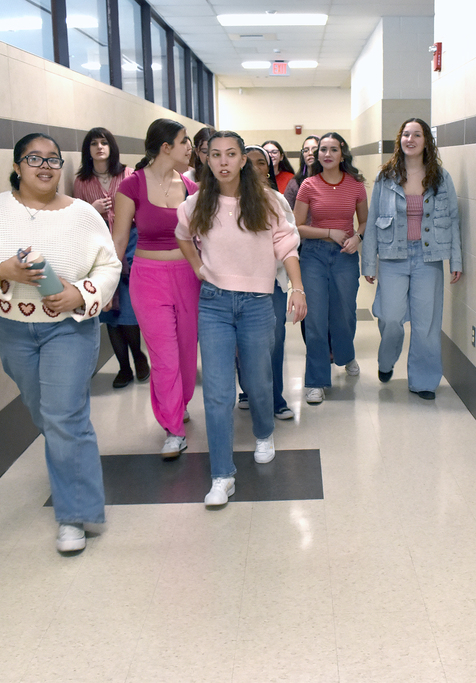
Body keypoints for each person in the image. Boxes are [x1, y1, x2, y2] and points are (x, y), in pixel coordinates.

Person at [0, 133, 121, 552]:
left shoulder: (83, 214)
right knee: (47, 414)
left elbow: (108, 265)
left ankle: (74, 516)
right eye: (34, 158)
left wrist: (79, 294)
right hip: (12, 330)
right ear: (16, 166)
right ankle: (74, 468)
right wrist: (3, 270)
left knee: (63, 415)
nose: (45, 166)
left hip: (68, 329)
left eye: (52, 159)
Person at [176, 131, 306, 508]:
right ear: (207, 160)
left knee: (257, 381)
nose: (223, 161)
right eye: (215, 155)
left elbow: (286, 244)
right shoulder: (196, 203)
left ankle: (264, 433)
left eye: (231, 154)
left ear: (242, 160)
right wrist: (198, 267)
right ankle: (222, 475)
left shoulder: (268, 200)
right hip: (214, 303)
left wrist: (297, 288)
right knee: (217, 392)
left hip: (257, 303)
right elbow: (182, 236)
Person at [114, 119, 200, 458]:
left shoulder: (191, 189)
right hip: (148, 278)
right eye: (184, 141)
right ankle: (173, 429)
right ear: (166, 147)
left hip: (188, 276)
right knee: (164, 356)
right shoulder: (131, 186)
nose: (189, 147)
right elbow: (119, 240)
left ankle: (180, 403)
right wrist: (107, 286)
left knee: (186, 353)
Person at [362, 118, 462, 400]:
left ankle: (424, 381)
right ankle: (386, 360)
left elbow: (453, 219)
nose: (410, 139)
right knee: (390, 317)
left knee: (426, 323)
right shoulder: (386, 177)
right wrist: (369, 263)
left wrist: (456, 260)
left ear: (426, 141)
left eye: (417, 135)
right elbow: (372, 220)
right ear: (400, 140)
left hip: (428, 257)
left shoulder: (440, 177)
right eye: (406, 134)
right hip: (393, 256)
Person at [294, 132, 368, 405]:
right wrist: (328, 232)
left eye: (333, 149)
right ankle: (316, 381)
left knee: (345, 314)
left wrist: (357, 238)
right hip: (313, 256)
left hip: (345, 256)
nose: (327, 154)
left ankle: (346, 355)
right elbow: (297, 227)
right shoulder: (308, 185)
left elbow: (364, 222)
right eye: (323, 150)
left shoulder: (355, 185)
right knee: (315, 319)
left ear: (342, 153)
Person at [72, 127, 148, 389]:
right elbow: (77, 219)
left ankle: (138, 356)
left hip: (130, 242)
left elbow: (140, 208)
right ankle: (123, 367)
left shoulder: (127, 174)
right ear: (88, 150)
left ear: (111, 147)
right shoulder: (81, 182)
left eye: (104, 142)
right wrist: (91, 209)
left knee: (128, 307)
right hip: (100, 246)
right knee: (109, 310)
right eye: (93, 143)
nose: (99, 147)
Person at [236, 146, 300, 420]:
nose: (255, 167)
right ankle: (248, 390)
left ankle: (275, 399)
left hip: (271, 281)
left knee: (274, 339)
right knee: (242, 341)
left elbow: (290, 240)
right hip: (237, 284)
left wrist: (296, 286)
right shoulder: (228, 200)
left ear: (269, 169)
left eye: (261, 162)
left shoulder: (277, 200)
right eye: (249, 162)